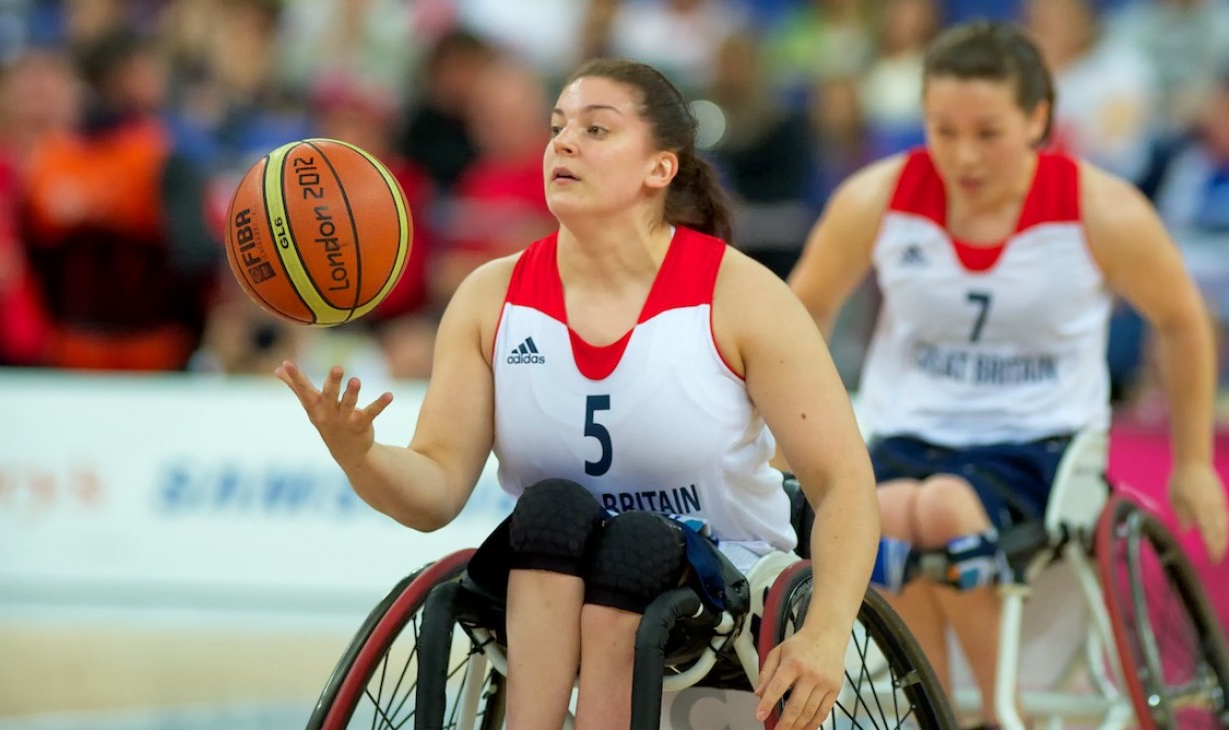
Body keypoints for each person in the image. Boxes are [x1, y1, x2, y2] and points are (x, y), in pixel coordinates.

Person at [277, 58, 880, 729]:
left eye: (596, 130)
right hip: (550, 574)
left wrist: (826, 634)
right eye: (559, 127)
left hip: (721, 588)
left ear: (660, 168)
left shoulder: (740, 295)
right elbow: (434, 493)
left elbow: (845, 483)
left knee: (637, 543)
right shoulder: (490, 298)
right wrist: (360, 454)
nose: (563, 143)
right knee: (553, 509)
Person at [787, 20, 1229, 730]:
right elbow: (797, 315)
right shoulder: (877, 197)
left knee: (944, 507)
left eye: (987, 132)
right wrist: (788, 436)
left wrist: (1193, 463)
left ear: (1038, 120)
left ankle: (1000, 709)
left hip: (1037, 441)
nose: (963, 155)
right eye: (943, 129)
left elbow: (1182, 321)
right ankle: (932, 708)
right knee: (889, 510)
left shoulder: (1101, 209)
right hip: (906, 429)